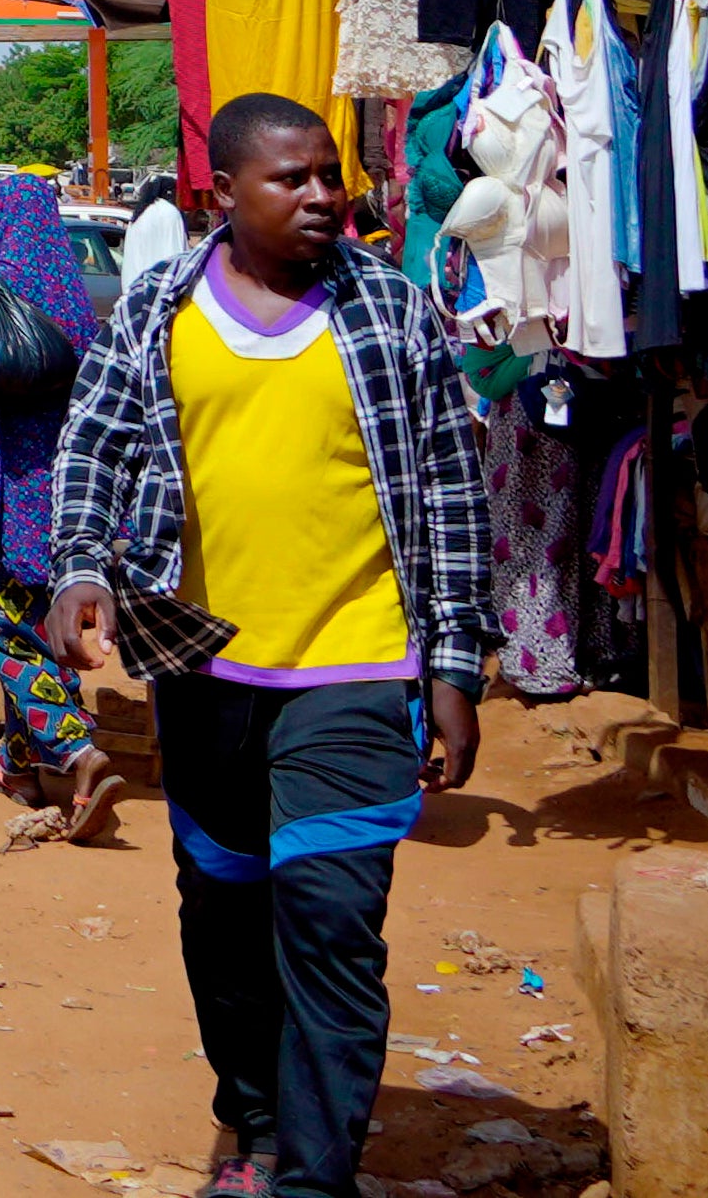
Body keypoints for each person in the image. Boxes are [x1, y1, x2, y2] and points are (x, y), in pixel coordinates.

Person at [50, 94, 486, 1198]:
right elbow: (92, 445)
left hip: (357, 663)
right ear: (222, 193)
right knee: (228, 918)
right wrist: (82, 567)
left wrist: (454, 664)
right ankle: (251, 1121)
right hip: (204, 667)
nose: (323, 194)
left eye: (329, 173)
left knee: (332, 921)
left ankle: (312, 1176)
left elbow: (447, 485)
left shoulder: (387, 309)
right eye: (291, 178)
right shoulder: (157, 308)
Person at [0, 173, 119, 834]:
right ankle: (20, 769)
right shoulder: (75, 302)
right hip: (64, 503)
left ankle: (75, 748)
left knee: (3, 633)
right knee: (48, 629)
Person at [121, 170, 188, 285]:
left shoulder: (139, 214)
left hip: (134, 286)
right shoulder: (169, 212)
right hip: (161, 288)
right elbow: (176, 253)